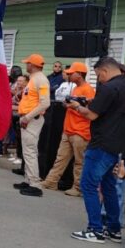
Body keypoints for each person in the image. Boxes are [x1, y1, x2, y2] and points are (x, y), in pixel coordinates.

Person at [68, 57, 125, 244]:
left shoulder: (108, 88)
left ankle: (95, 229)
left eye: (97, 74)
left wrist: (77, 107)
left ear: (104, 71)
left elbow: (92, 114)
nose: (98, 79)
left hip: (103, 144)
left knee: (88, 185)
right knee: (109, 187)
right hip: (122, 147)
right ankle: (114, 229)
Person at [41, 62, 95, 197]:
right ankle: (51, 181)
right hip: (69, 129)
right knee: (61, 158)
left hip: (81, 131)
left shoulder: (88, 90)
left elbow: (91, 111)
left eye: (72, 73)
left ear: (80, 74)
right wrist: (68, 105)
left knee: (79, 162)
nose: (69, 75)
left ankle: (78, 188)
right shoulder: (76, 88)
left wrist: (74, 106)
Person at [14, 54, 51, 197]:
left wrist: (27, 117)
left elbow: (45, 103)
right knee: (28, 151)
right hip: (28, 119)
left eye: (28, 63)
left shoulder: (41, 80)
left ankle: (35, 184)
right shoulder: (35, 79)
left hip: (32, 119)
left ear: (33, 65)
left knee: (30, 152)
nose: (26, 65)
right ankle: (29, 180)